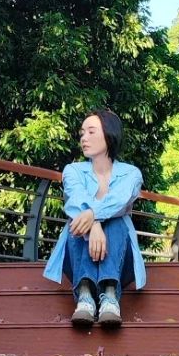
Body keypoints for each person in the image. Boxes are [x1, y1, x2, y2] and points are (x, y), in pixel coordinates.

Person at [42, 109, 144, 326]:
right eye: (82, 133)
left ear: (109, 135)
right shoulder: (73, 170)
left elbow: (120, 201)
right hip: (78, 254)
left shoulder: (131, 173)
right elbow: (76, 199)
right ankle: (85, 295)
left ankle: (109, 295)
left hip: (118, 260)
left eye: (91, 132)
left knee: (116, 221)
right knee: (78, 221)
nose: (83, 138)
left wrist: (92, 215)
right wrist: (93, 223)